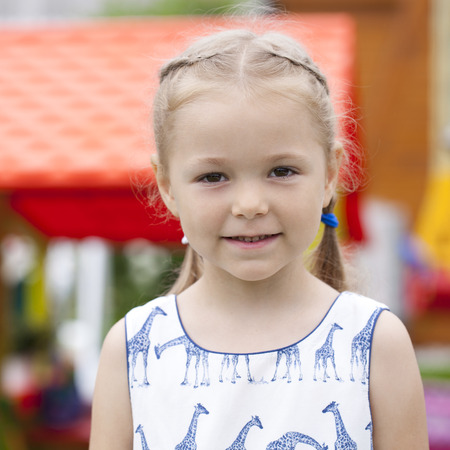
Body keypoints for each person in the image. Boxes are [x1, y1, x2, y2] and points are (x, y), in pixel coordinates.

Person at [90, 25, 428, 450]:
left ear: (329, 174)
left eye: (281, 171)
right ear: (167, 186)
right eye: (213, 176)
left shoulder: (376, 342)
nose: (249, 204)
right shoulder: (133, 348)